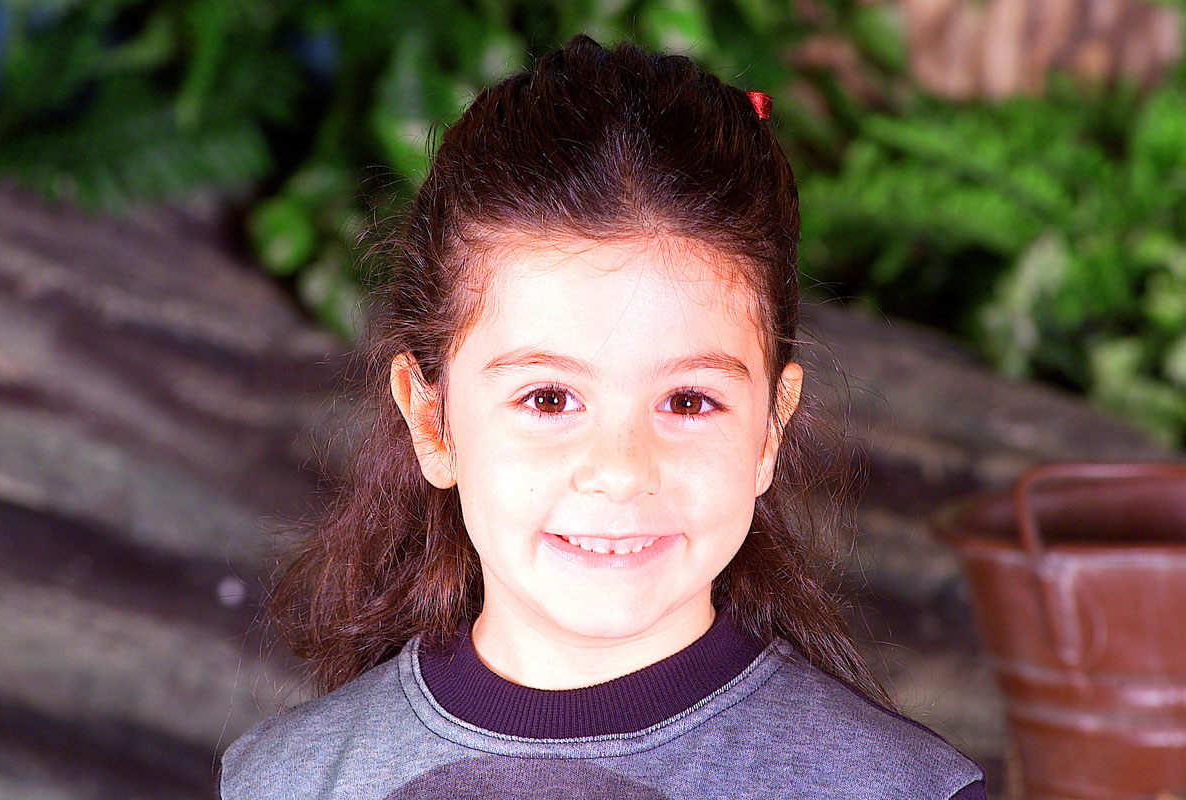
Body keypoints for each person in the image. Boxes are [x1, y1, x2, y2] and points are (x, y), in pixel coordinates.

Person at [219, 34, 987, 799]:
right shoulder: (285, 781)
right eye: (549, 399)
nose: (620, 471)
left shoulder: (900, 790)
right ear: (431, 420)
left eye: (688, 401)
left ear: (769, 430)